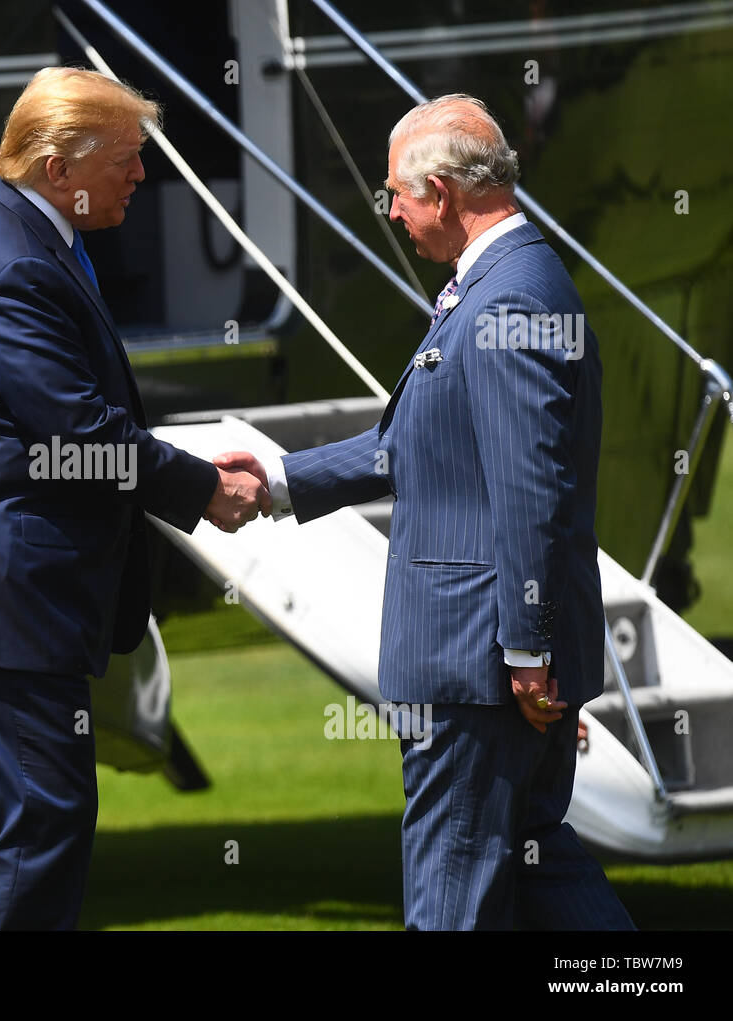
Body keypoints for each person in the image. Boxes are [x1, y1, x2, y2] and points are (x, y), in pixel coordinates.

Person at [218, 94, 633, 930]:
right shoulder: (499, 285)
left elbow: (531, 487)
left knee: (452, 894)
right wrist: (281, 479)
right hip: (487, 659)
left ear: (440, 192)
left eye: (397, 196)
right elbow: (422, 445)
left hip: (478, 664)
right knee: (539, 860)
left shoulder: (506, 300)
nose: (396, 215)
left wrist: (525, 643)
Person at [0, 67, 269, 930]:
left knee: (24, 826)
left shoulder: (0, 226)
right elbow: (78, 440)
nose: (141, 175)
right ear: (58, 168)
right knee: (38, 825)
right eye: (128, 159)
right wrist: (202, 487)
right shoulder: (14, 259)